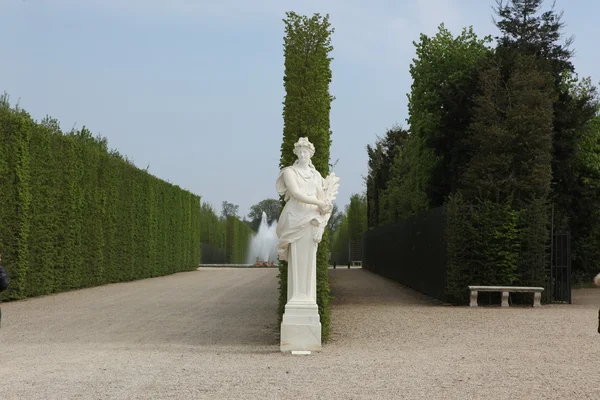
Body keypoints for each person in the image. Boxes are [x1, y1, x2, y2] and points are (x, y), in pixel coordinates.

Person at [276, 137, 334, 304]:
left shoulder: (316, 176)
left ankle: (305, 299)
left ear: (310, 154)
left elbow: (326, 201)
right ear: (296, 153)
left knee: (308, 257)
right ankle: (298, 299)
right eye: (299, 151)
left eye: (305, 151)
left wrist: (325, 211)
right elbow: (295, 193)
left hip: (312, 219)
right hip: (295, 216)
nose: (302, 154)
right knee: (297, 257)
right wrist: (318, 203)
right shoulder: (289, 172)